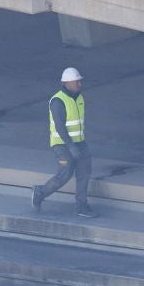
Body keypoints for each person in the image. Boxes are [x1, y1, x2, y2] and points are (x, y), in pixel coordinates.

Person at [32, 67, 95, 217]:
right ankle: (40, 192)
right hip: (61, 144)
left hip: (80, 142)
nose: (79, 84)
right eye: (76, 81)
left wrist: (78, 144)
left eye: (80, 81)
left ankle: (81, 206)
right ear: (66, 83)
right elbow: (60, 126)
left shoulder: (79, 98)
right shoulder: (58, 101)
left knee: (84, 172)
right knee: (66, 172)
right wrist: (71, 146)